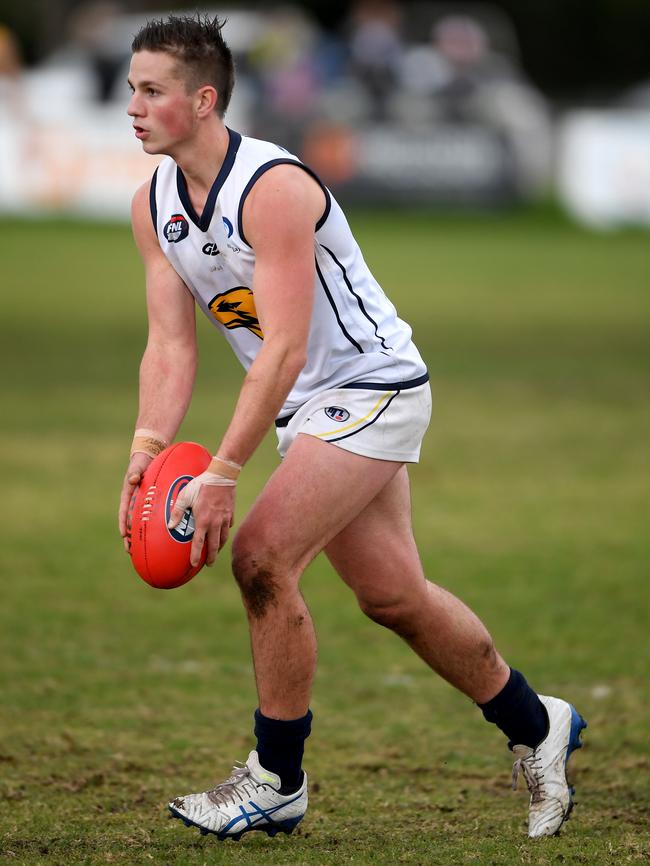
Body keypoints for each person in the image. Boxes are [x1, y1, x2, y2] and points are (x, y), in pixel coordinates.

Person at [118, 14, 586, 843]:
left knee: (262, 558)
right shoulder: (152, 205)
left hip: (372, 385)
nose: (134, 106)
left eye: (152, 91)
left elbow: (287, 347)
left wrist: (223, 470)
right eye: (131, 89)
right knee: (394, 597)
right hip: (311, 406)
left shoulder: (274, 188)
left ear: (203, 98)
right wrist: (147, 451)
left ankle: (276, 781)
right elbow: (169, 345)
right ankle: (538, 720)